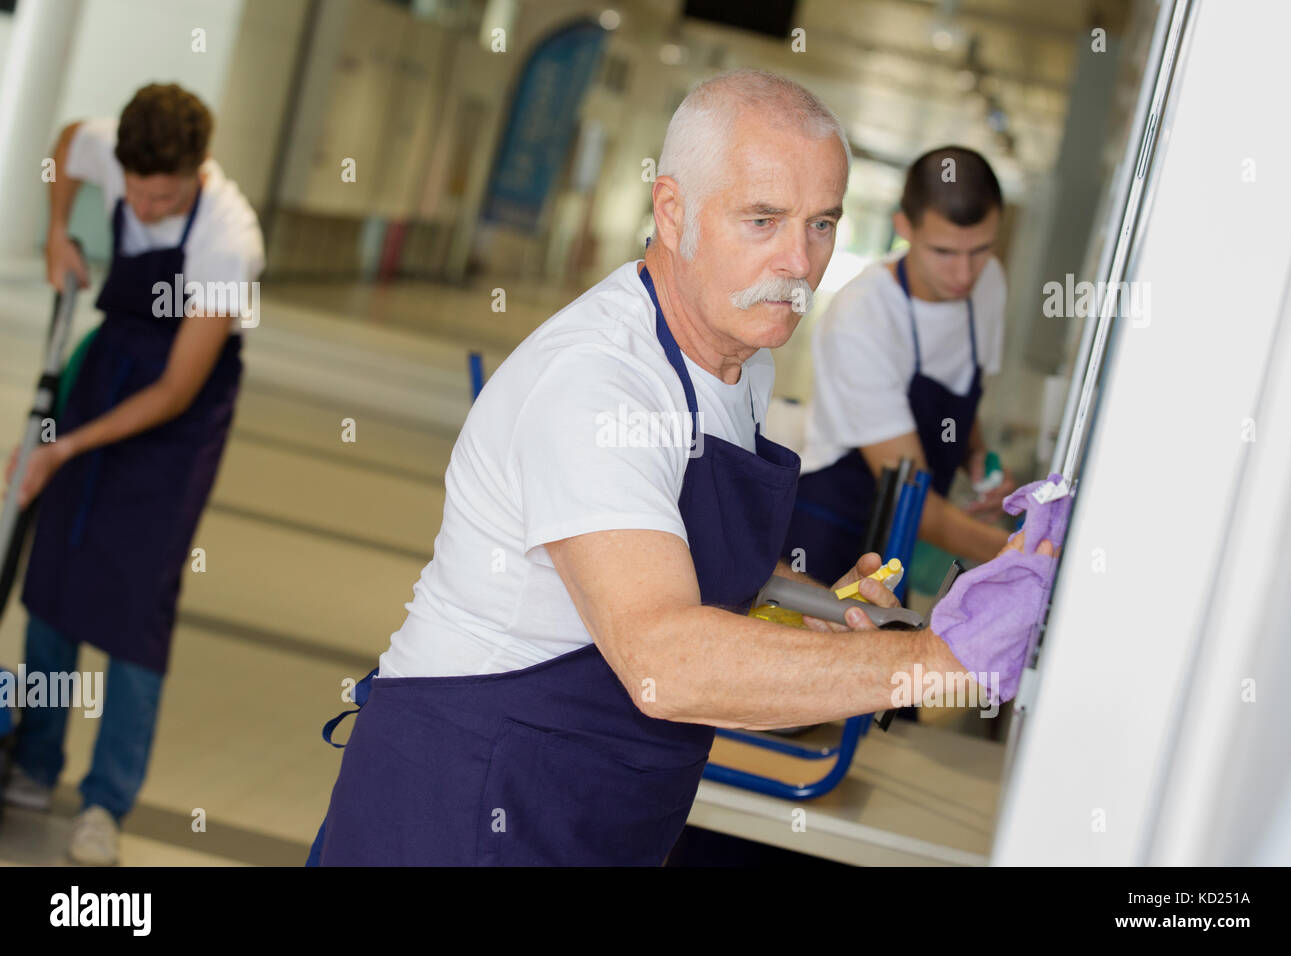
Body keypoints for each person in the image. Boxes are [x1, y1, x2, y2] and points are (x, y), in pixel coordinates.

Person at [307, 70, 1047, 867]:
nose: (798, 262)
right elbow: (665, 661)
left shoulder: (739, 359)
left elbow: (694, 568)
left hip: (601, 805)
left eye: (822, 223)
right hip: (467, 801)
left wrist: (814, 611)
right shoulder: (601, 383)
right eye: (762, 219)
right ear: (672, 210)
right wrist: (936, 662)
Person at [2, 83, 264, 865]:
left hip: (178, 417)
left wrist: (62, 448)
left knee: (136, 601)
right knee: (53, 570)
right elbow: (67, 144)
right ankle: (34, 762)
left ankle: (106, 802)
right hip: (110, 362)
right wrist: (57, 233)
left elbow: (178, 389)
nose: (146, 208)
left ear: (198, 170)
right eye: (137, 192)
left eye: (165, 195)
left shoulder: (229, 238)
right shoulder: (115, 148)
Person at [785, 146, 1016, 588]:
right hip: (830, 527)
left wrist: (978, 463)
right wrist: (1023, 554)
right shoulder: (862, 317)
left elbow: (964, 397)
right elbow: (913, 498)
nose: (964, 274)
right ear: (904, 227)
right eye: (944, 251)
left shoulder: (990, 285)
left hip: (904, 537)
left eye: (981, 249)